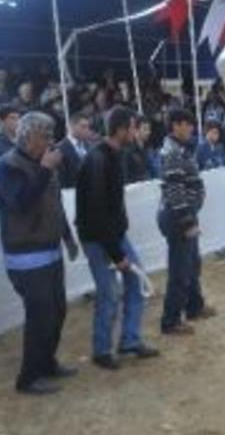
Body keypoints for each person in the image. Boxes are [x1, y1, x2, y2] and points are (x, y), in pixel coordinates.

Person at [0, 111, 80, 395]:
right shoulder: (7, 166)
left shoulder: (44, 164)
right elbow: (20, 203)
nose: (52, 142)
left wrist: (67, 236)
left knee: (57, 311)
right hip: (26, 258)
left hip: (50, 253)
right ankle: (28, 378)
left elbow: (55, 205)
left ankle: (47, 362)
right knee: (40, 315)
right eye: (46, 136)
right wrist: (44, 170)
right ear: (29, 137)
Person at [75, 106, 160, 370]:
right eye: (134, 127)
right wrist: (118, 255)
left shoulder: (116, 154)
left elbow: (110, 208)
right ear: (122, 129)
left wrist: (118, 246)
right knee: (109, 292)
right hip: (96, 237)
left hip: (114, 234)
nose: (136, 132)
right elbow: (97, 213)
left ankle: (130, 340)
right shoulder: (97, 160)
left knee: (136, 282)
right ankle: (101, 350)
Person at [157, 108, 216, 335]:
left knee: (192, 264)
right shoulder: (173, 152)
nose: (192, 129)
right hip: (178, 217)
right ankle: (170, 321)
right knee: (180, 270)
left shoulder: (179, 149)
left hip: (183, 215)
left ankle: (194, 306)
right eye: (187, 124)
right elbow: (174, 190)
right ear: (175, 126)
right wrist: (187, 221)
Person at [56, 112, 92, 189]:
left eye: (88, 127)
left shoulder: (90, 146)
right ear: (71, 127)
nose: (87, 130)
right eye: (83, 127)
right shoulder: (59, 149)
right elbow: (62, 179)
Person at [123, 116, 159, 183]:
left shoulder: (147, 149)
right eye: (145, 129)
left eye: (149, 129)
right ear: (136, 130)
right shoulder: (128, 151)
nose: (148, 132)